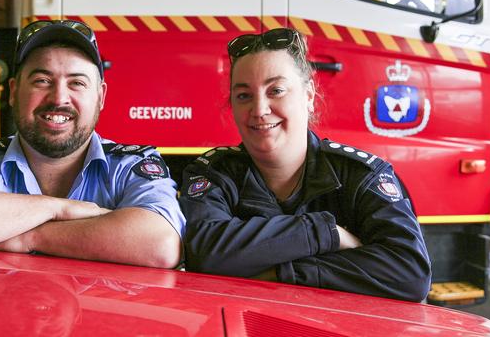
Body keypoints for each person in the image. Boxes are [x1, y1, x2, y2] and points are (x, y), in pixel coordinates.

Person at [0, 20, 184, 269]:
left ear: (101, 97)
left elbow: (160, 245)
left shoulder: (131, 166)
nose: (59, 99)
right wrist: (58, 209)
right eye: (42, 80)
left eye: (77, 83)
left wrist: (28, 237)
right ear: (12, 92)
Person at [179, 28, 431, 301]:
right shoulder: (212, 173)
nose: (260, 109)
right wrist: (325, 233)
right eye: (244, 96)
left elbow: (410, 272)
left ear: (308, 95)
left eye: (276, 90)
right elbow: (201, 252)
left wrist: (283, 274)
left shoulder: (361, 176)